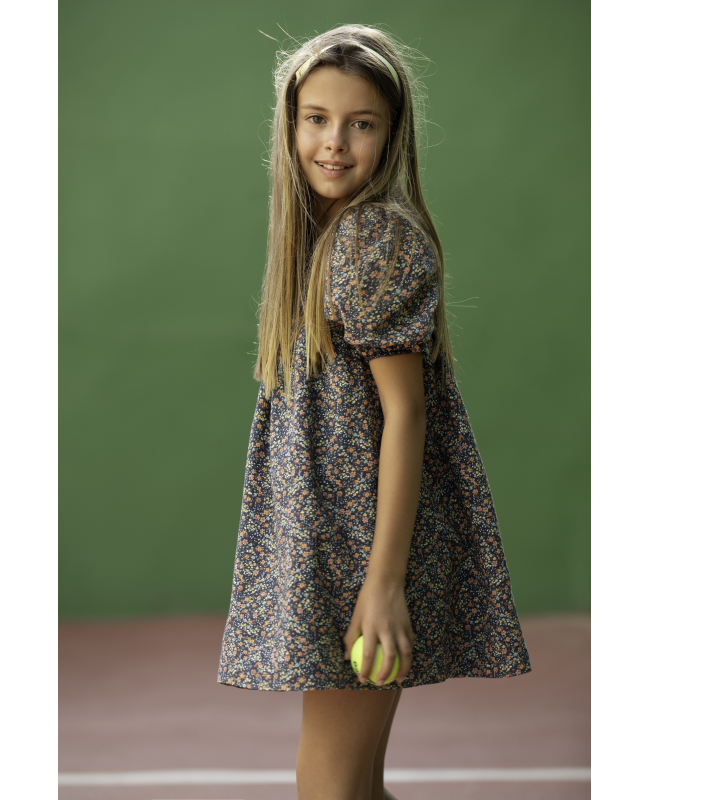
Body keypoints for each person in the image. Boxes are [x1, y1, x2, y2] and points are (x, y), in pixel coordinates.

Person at [217, 24, 532, 800]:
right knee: (355, 783)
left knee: (327, 781)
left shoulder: (370, 239)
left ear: (392, 136)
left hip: (360, 551)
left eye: (361, 123)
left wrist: (381, 583)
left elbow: (407, 414)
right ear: (290, 125)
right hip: (346, 544)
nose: (334, 142)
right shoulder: (326, 237)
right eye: (316, 118)